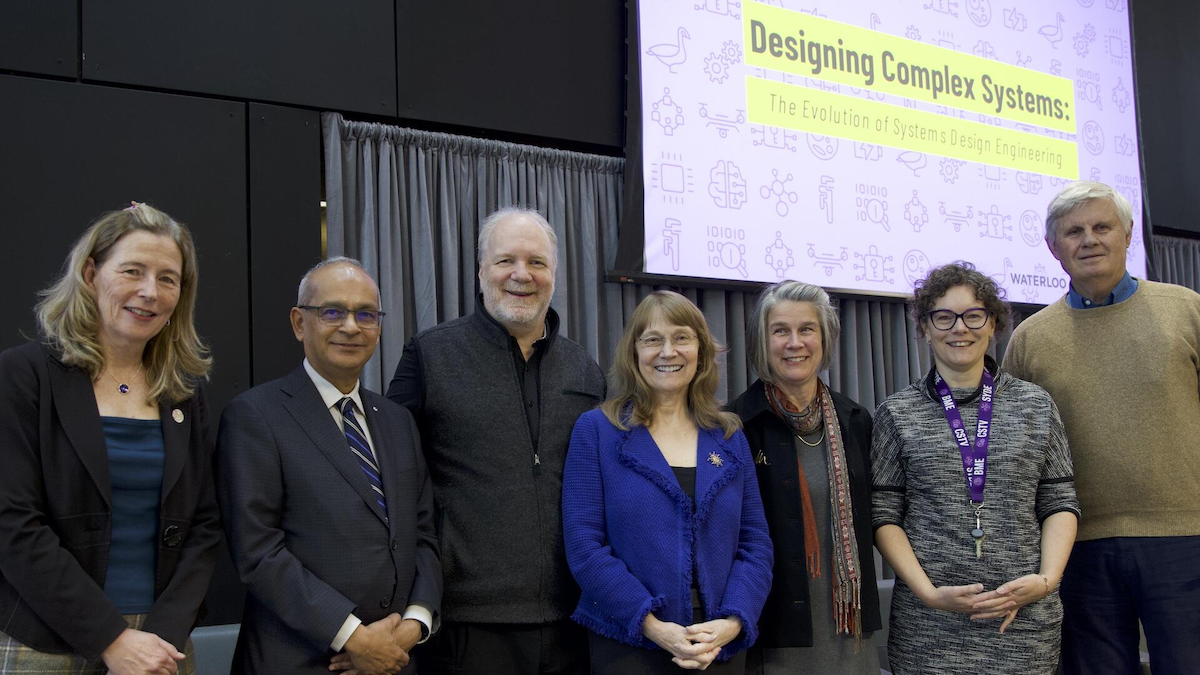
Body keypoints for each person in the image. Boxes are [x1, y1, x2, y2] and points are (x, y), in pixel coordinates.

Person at [0, 202, 219, 674]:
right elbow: (12, 524)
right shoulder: (23, 376)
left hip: (162, 646)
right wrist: (112, 639)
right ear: (90, 273)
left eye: (168, 278)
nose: (149, 292)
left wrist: (161, 634)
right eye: (132, 271)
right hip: (47, 641)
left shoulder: (183, 392)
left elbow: (204, 525)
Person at [385, 208, 605, 675]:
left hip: (575, 622)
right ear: (481, 270)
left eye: (537, 262)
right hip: (465, 627)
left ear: (555, 275)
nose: (521, 275)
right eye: (506, 260)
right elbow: (388, 481)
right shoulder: (429, 356)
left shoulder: (585, 369)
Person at [1004, 180, 1200, 674]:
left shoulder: (1187, 309)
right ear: (1054, 248)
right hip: (1078, 549)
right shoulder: (1030, 339)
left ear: (1128, 233)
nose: (1089, 239)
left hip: (1184, 537)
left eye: (1101, 226)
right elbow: (1017, 451)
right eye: (1074, 231)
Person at [216, 258, 440, 674]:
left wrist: (414, 624)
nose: (351, 326)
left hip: (397, 658)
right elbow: (258, 551)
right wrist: (355, 637)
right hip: (302, 660)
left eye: (366, 314)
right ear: (300, 323)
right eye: (332, 312)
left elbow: (424, 534)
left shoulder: (398, 421)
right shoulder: (255, 416)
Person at [871, 262, 1079, 674]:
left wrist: (1046, 580)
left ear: (993, 325)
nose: (959, 328)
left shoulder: (1036, 405)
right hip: (930, 627)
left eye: (973, 315)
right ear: (926, 328)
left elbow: (1059, 502)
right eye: (943, 317)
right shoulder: (896, 413)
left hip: (1024, 619)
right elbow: (884, 516)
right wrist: (929, 595)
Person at [563, 290, 773, 674]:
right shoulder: (596, 431)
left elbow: (755, 543)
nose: (668, 351)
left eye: (681, 338)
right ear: (634, 352)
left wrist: (733, 622)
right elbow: (584, 547)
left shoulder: (728, 435)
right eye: (653, 340)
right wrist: (653, 627)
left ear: (700, 351)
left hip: (718, 646)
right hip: (628, 641)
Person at [728, 281, 881, 674]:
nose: (794, 342)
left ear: (825, 338)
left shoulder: (857, 421)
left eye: (806, 329)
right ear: (763, 342)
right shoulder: (734, 427)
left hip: (851, 634)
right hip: (771, 636)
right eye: (780, 330)